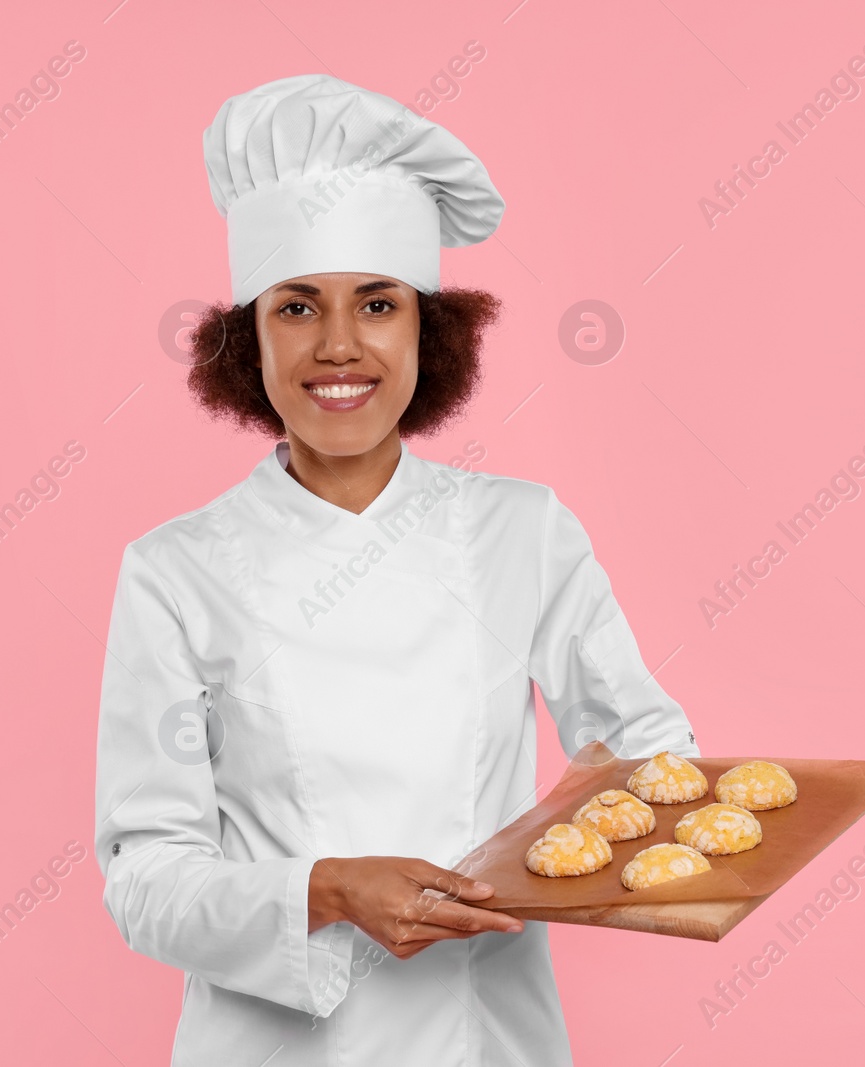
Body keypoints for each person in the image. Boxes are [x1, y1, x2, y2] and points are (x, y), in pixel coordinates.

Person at [94, 73, 700, 1066]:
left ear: (430, 329)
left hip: (485, 1034)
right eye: (296, 307)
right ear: (248, 339)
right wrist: (325, 888)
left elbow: (647, 749)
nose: (339, 345)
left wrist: (625, 809)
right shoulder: (176, 570)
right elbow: (145, 879)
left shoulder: (522, 531)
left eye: (377, 302)